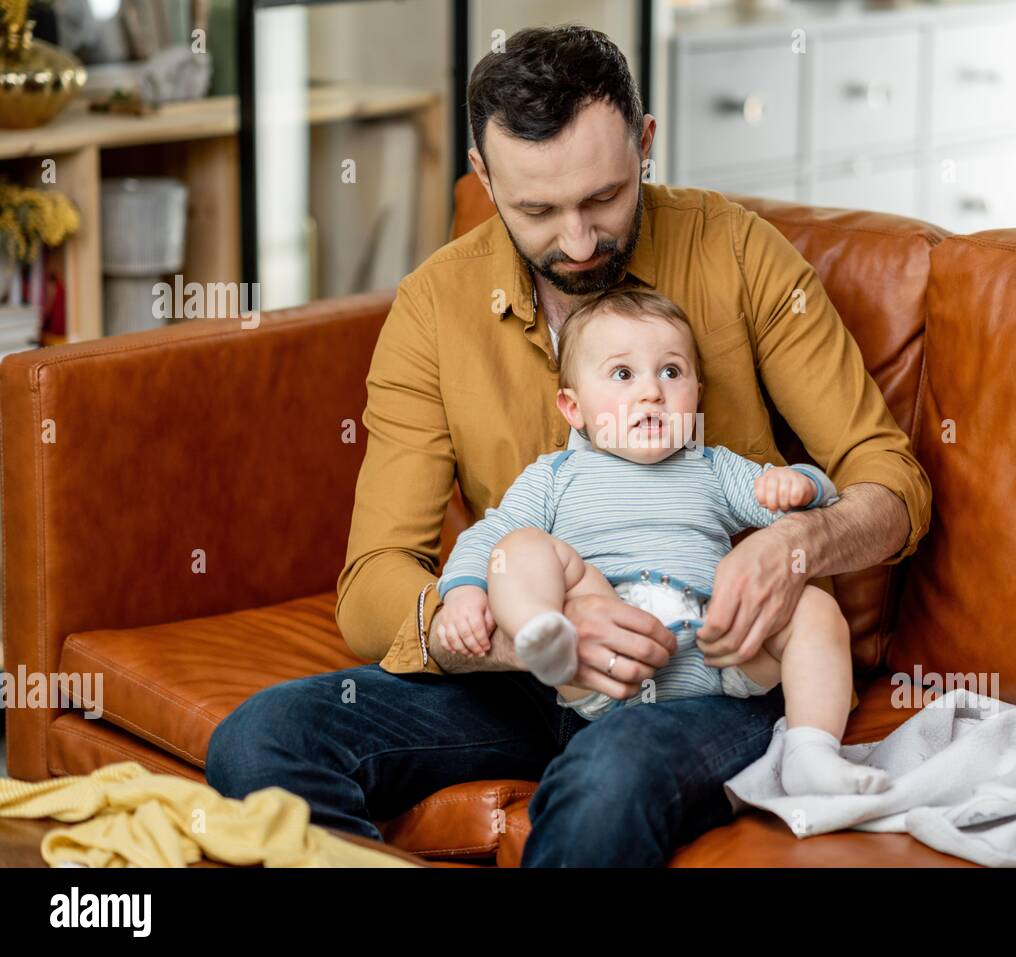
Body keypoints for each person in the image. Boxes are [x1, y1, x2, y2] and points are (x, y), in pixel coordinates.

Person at [205, 24, 930, 866]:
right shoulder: (434, 309)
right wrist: (527, 635)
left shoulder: (737, 253)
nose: (580, 242)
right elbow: (372, 587)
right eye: (538, 211)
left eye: (604, 198)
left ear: (646, 144)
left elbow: (892, 484)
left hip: (702, 669)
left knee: (610, 773)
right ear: (483, 176)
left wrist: (798, 547)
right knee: (260, 741)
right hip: (522, 677)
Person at [436, 287, 890, 796]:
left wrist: (804, 484)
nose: (652, 392)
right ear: (573, 407)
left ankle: (811, 752)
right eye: (623, 374)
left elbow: (812, 509)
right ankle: (545, 634)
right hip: (597, 656)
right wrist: (463, 594)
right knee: (519, 546)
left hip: (716, 652)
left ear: (696, 392)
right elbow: (489, 540)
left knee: (813, 605)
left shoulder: (712, 468)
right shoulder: (555, 476)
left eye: (671, 373)